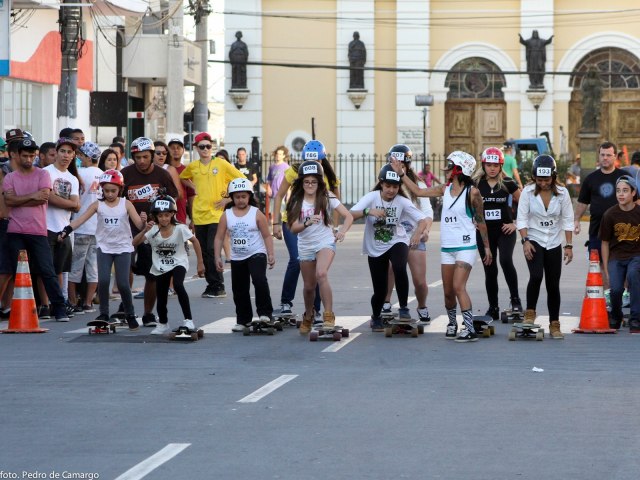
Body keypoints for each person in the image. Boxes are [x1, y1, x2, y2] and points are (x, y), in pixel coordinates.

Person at [392, 151, 492, 342]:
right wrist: (402, 174)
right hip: (448, 247)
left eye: (450, 166)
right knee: (447, 292)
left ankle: (469, 328)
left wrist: (486, 247)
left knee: (458, 286)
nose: (446, 169)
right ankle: (452, 323)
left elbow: (481, 222)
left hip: (466, 246)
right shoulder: (444, 189)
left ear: (459, 169)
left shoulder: (473, 193)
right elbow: (419, 192)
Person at [59, 169, 145, 330]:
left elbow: (139, 226)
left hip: (123, 248)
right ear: (102, 189)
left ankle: (130, 313)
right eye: (106, 190)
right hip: (104, 248)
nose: (110, 194)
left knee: (123, 284)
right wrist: (67, 230)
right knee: (103, 281)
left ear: (120, 189)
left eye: (113, 190)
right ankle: (104, 313)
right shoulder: (98, 204)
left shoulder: (126, 204)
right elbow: (81, 219)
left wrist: (144, 222)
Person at [351, 164, 428, 332]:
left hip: (397, 241)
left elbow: (422, 219)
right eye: (387, 186)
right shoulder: (372, 197)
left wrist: (417, 234)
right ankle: (376, 316)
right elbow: (351, 213)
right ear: (381, 184)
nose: (391, 190)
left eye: (395, 187)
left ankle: (403, 308)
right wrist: (368, 211)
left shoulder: (402, 201)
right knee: (380, 290)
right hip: (375, 246)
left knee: (399, 267)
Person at [2, 137, 70, 322]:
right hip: (16, 231)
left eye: (32, 155)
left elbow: (43, 198)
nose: (28, 159)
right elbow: (9, 201)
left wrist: (20, 198)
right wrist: (32, 196)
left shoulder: (42, 175)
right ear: (17, 156)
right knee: (19, 272)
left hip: (39, 231)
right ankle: (21, 309)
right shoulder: (10, 177)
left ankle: (59, 308)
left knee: (47, 270)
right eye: (25, 156)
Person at [271, 140, 340, 321]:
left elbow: (337, 202)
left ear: (322, 159)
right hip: (293, 221)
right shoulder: (295, 171)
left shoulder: (328, 175)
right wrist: (276, 223)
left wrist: (336, 227)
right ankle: (286, 303)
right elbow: (278, 196)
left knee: (318, 269)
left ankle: (315, 310)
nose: (312, 165)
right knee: (296, 259)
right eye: (309, 161)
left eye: (317, 161)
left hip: (319, 226)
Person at [285, 160, 353, 334]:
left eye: (314, 181)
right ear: (301, 182)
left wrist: (342, 232)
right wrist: (306, 223)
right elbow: (293, 228)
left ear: (319, 182)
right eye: (306, 181)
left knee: (321, 274)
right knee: (309, 286)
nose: (310, 185)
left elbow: (348, 216)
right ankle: (309, 314)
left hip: (325, 241)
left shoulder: (327, 196)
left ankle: (328, 315)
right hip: (306, 245)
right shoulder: (296, 200)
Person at [179, 132, 245, 298]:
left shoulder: (221, 164)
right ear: (196, 148)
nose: (206, 149)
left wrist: (228, 199)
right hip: (199, 215)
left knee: (212, 248)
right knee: (205, 251)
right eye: (202, 147)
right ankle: (211, 285)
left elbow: (242, 179)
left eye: (209, 146)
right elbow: (182, 177)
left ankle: (219, 285)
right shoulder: (193, 166)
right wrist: (193, 187)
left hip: (216, 215)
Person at [122, 136, 179, 326]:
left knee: (152, 274)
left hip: (152, 230)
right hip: (127, 229)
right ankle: (126, 307)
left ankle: (148, 313)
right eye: (137, 157)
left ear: (152, 156)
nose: (141, 161)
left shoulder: (162, 175)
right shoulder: (126, 174)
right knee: (125, 267)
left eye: (145, 157)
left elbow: (173, 198)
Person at [516, 155, 574, 339]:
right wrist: (525, 241)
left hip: (554, 242)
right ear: (534, 177)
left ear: (554, 176)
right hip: (533, 239)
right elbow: (522, 218)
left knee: (552, 283)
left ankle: (554, 323)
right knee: (536, 276)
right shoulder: (527, 192)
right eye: (539, 180)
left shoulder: (563, 193)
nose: (543, 183)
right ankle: (530, 314)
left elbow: (567, 219)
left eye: (547, 179)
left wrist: (569, 245)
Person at [133, 195, 205, 335]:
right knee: (161, 294)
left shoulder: (180, 228)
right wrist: (144, 230)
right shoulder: (153, 230)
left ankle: (188, 319)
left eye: (167, 215)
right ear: (155, 216)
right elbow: (134, 243)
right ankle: (163, 323)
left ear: (172, 214)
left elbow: (195, 241)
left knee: (178, 285)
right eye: (160, 216)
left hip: (179, 262)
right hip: (160, 266)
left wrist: (200, 263)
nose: (164, 218)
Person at [214, 178, 275, 332]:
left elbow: (267, 235)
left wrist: (271, 254)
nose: (240, 200)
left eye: (243, 196)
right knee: (239, 288)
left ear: (249, 196)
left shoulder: (256, 213)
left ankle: (265, 313)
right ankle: (243, 319)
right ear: (232, 197)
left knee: (259, 281)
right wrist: (217, 257)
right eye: (237, 197)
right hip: (237, 257)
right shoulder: (227, 215)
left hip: (256, 253)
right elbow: (219, 237)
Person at [381, 145, 434, 323]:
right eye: (393, 162)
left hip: (414, 235)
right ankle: (386, 303)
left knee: (420, 282)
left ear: (407, 164)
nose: (396, 165)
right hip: (393, 235)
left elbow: (427, 212)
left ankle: (422, 305)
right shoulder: (385, 182)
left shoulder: (417, 185)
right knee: (391, 269)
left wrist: (425, 231)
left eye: (400, 163)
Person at [473, 147, 522, 320]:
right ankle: (493, 306)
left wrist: (516, 224)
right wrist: (472, 219)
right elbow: (464, 205)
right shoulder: (476, 184)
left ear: (501, 165)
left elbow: (525, 204)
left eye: (496, 165)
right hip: (485, 232)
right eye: (489, 165)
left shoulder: (508, 182)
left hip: (504, 230)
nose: (492, 168)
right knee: (490, 268)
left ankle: (515, 300)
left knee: (506, 260)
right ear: (483, 165)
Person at [574, 142, 627, 288]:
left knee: (624, 263)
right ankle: (608, 297)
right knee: (601, 265)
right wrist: (576, 220)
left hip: (622, 229)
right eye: (602, 155)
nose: (605, 158)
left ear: (615, 157)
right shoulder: (591, 179)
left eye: (608, 155)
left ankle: (625, 296)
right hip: (597, 230)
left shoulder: (624, 177)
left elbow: (636, 201)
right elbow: (582, 202)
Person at [42, 138, 80, 313]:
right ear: (56, 152)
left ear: (73, 156)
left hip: (64, 228)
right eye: (63, 151)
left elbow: (77, 205)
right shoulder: (46, 173)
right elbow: (47, 197)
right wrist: (69, 203)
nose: (66, 155)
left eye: (69, 152)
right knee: (44, 269)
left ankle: (58, 302)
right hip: (45, 226)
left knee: (60, 269)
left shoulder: (73, 178)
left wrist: (67, 203)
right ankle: (45, 304)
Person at [599, 176, 640, 332]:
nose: (621, 194)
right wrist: (607, 269)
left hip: (636, 255)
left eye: (625, 190)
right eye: (618, 191)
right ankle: (616, 315)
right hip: (616, 257)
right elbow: (604, 242)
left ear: (633, 192)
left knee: (633, 276)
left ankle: (636, 319)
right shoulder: (610, 215)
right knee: (615, 289)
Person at [67, 141, 102, 314]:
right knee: (93, 268)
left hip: (80, 226)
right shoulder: (104, 175)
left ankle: (73, 301)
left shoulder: (79, 174)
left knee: (75, 267)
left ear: (88, 157)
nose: (78, 158)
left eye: (80, 155)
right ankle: (88, 302)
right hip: (98, 229)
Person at [167, 137, 195, 225]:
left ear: (183, 150)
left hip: (181, 218)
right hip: (163, 217)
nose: (175, 150)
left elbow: (191, 197)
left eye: (178, 148)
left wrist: (193, 220)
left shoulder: (187, 171)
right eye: (172, 148)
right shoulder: (164, 169)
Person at [265, 146, 290, 221]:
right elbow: (269, 179)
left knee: (282, 214)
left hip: (282, 193)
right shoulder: (272, 167)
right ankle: (273, 231)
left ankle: (281, 231)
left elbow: (289, 181)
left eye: (280, 154)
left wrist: (288, 194)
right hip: (273, 194)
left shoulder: (286, 166)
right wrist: (268, 188)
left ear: (283, 156)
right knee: (272, 214)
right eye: (277, 154)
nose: (278, 155)